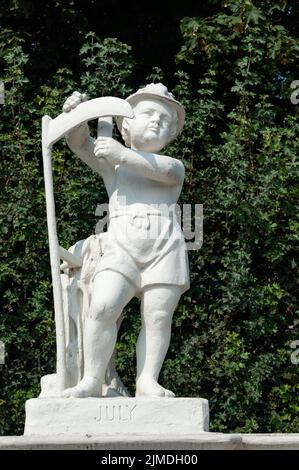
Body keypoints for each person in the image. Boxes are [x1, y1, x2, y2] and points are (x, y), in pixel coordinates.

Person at [62, 83, 190, 398]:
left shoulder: (173, 166)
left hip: (164, 248)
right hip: (121, 245)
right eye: (148, 114)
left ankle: (148, 380)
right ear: (126, 125)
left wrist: (120, 152)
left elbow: (162, 171)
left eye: (165, 120)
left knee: (158, 316)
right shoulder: (114, 164)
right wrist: (76, 117)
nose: (157, 121)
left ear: (172, 135)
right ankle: (92, 378)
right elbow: (80, 144)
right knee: (103, 306)